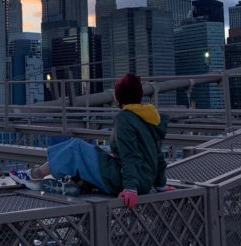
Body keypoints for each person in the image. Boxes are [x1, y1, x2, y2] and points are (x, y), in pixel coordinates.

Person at [10, 72, 171, 208]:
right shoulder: (150, 117)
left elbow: (130, 155)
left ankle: (34, 175)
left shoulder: (125, 118)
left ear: (120, 96)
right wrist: (161, 185)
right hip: (144, 180)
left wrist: (130, 188)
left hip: (128, 180)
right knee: (97, 155)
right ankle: (77, 185)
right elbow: (157, 155)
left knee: (77, 148)